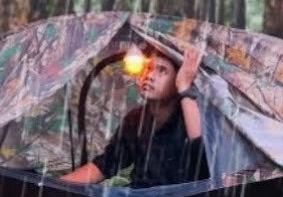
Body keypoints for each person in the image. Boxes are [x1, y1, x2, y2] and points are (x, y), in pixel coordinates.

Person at [61, 45, 209, 187]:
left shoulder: (191, 116)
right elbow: (106, 164)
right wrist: (55, 186)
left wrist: (184, 86)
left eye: (162, 71)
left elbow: (201, 152)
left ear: (178, 79)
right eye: (148, 68)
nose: (149, 76)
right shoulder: (136, 119)